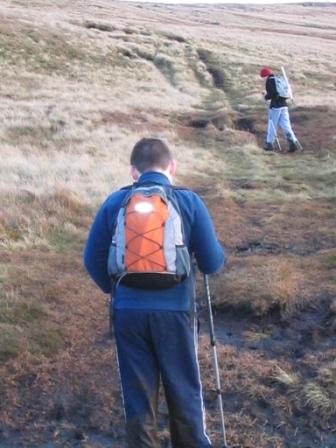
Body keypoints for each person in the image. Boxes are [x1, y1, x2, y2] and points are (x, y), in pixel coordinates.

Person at [83, 138, 225, 448]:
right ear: (171, 167)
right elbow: (212, 263)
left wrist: (116, 288)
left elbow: (91, 259)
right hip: (175, 313)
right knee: (183, 388)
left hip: (128, 314)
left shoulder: (114, 202)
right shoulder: (188, 202)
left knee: (137, 393)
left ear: (133, 171)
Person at [260, 66, 300, 152]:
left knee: (272, 125)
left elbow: (272, 94)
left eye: (262, 77)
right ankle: (293, 143)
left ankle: (269, 144)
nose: (263, 79)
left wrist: (265, 97)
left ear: (265, 75)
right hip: (284, 105)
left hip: (275, 106)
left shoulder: (269, 81)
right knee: (286, 125)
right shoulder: (278, 79)